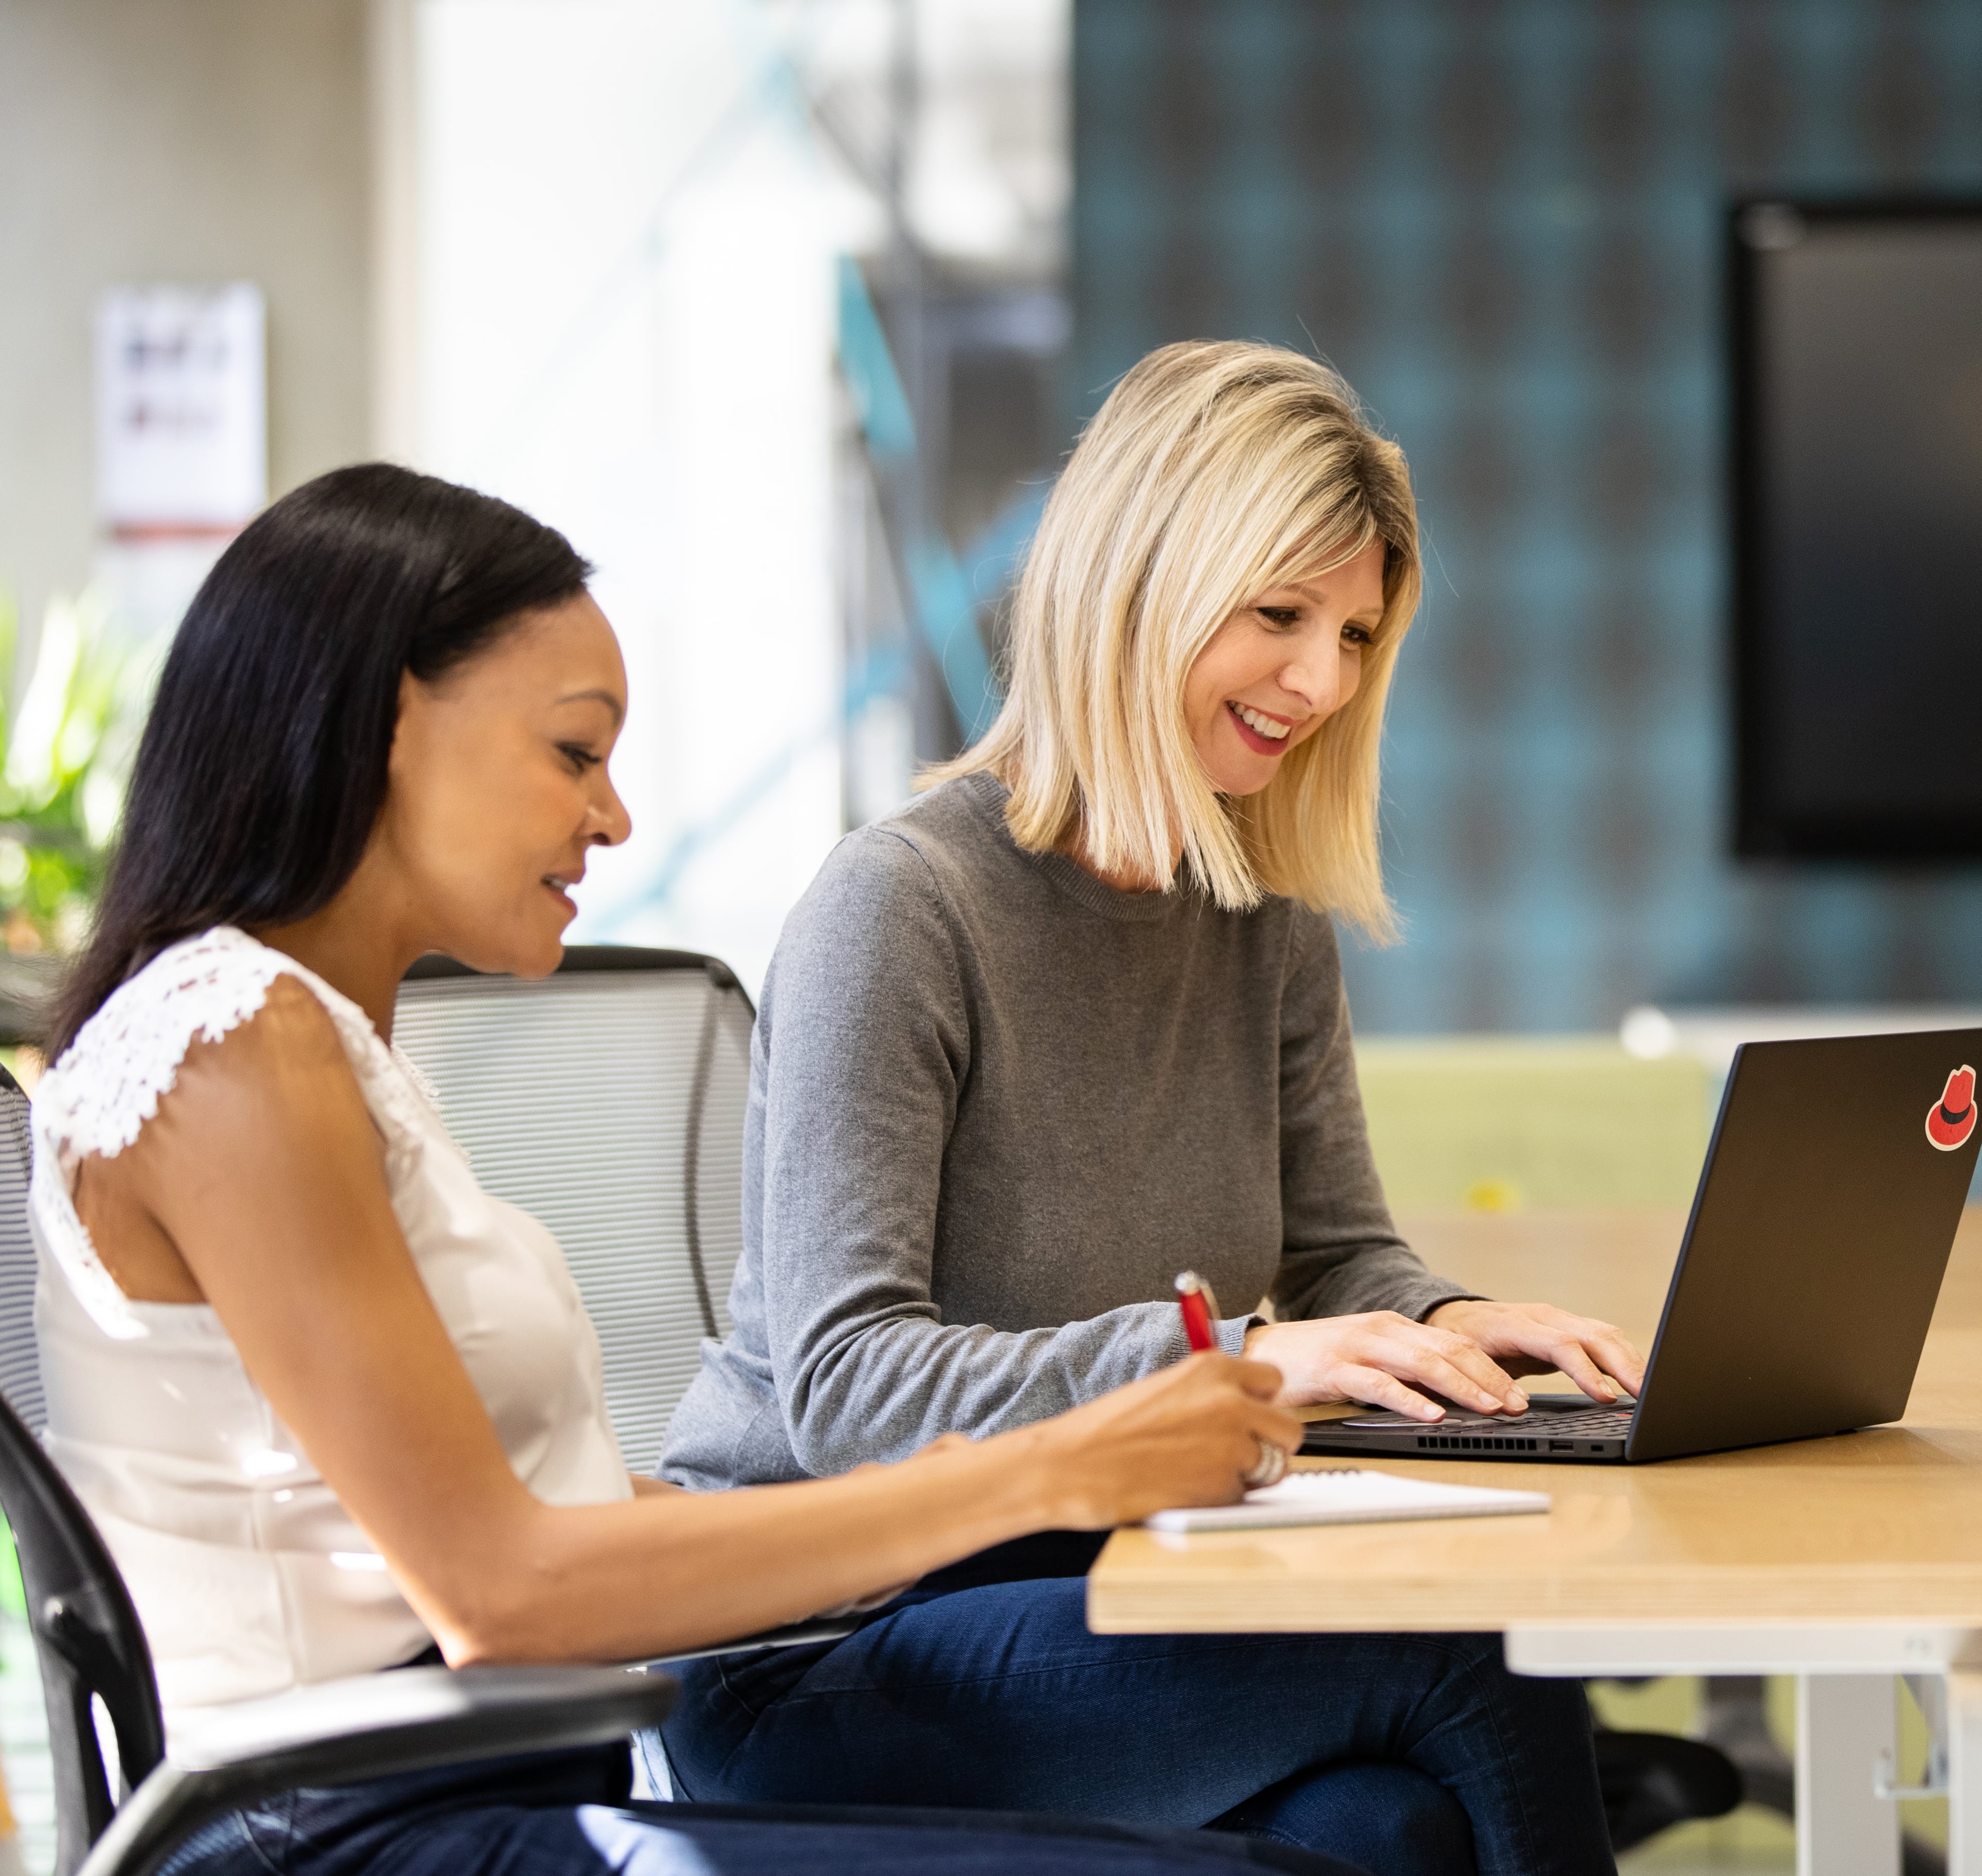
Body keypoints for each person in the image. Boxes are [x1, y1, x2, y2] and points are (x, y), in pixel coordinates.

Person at [30, 463, 1602, 1876]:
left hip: (503, 1784)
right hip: (348, 1842)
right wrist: (1059, 1463)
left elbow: (555, 1524)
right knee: (1424, 1693)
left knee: (1375, 1835)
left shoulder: (322, 1048)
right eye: (574, 752)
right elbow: (502, 1590)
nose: (614, 810)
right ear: (385, 720)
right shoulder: (230, 1048)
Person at [655, 341, 1735, 1852]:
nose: (1324, 682)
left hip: (1096, 1570)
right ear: (1139, 586)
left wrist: (1433, 1323)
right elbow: (851, 1393)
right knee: (1466, 1660)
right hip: (816, 1640)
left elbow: (1335, 1253)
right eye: (1279, 615)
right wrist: (1247, 1361)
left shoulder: (1258, 916)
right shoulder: (901, 907)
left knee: (1388, 1830)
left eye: (1356, 633)